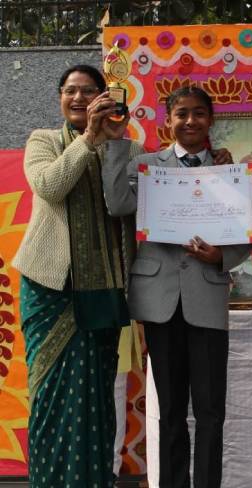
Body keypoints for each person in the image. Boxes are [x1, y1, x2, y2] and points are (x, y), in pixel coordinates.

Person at [101, 86, 249, 488]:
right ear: (168, 121)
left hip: (207, 298)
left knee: (210, 411)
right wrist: (115, 143)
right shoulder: (146, 165)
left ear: (211, 119)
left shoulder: (228, 171)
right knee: (169, 410)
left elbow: (242, 237)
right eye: (181, 113)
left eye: (199, 113)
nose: (190, 121)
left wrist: (219, 257)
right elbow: (117, 205)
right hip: (159, 301)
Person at [13, 64, 143, 487]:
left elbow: (123, 205)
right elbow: (50, 186)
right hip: (50, 288)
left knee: (95, 398)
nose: (79, 98)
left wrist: (113, 143)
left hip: (103, 290)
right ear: (60, 97)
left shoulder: (126, 148)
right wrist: (88, 139)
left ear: (105, 97)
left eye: (89, 91)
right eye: (70, 90)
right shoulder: (43, 141)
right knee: (51, 395)